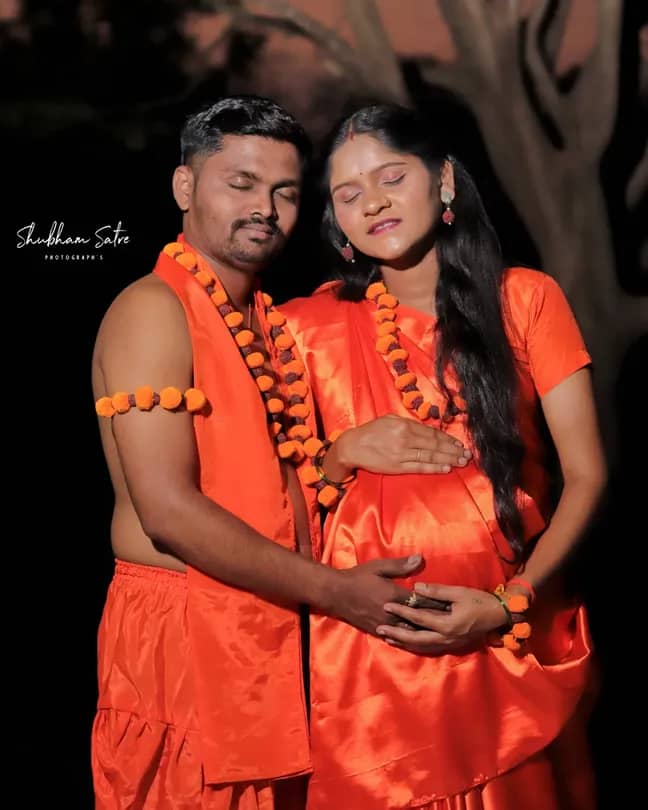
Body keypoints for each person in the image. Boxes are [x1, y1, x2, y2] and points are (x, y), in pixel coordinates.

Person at [90, 96, 470, 810]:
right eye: (241, 183)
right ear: (184, 188)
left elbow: (267, 483)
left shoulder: (266, 320)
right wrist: (337, 593)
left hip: (269, 627)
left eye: (284, 191)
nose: (264, 207)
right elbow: (169, 512)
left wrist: (339, 458)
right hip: (181, 637)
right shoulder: (152, 308)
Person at [280, 104, 607, 810]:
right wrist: (340, 454)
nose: (373, 201)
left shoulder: (525, 300)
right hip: (372, 663)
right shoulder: (307, 328)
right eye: (348, 193)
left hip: (503, 648)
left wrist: (506, 603)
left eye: (391, 176)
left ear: (445, 181)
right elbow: (266, 500)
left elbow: (587, 476)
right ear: (338, 223)